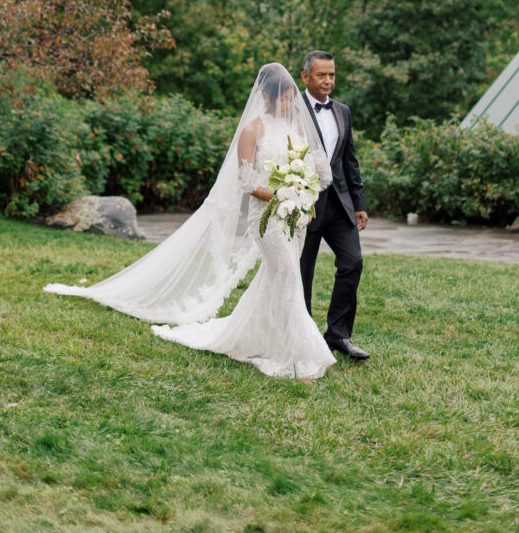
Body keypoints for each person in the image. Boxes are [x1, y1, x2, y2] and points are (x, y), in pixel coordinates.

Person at [45, 63, 336, 380]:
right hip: (265, 218)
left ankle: (259, 339)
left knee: (278, 279)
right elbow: (246, 181)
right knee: (289, 278)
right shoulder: (254, 129)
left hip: (293, 219)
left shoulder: (297, 127)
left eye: (291, 98)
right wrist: (279, 198)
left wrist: (303, 201)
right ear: (266, 97)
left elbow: (311, 172)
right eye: (282, 98)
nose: (288, 104)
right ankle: (296, 355)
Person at [299, 50, 369, 361]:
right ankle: (300, 336)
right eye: (321, 75)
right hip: (303, 207)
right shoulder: (292, 109)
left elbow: (349, 161)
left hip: (340, 205)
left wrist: (359, 202)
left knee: (352, 262)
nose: (328, 81)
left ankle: (338, 334)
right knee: (302, 272)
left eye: (332, 75)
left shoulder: (343, 111)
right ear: (306, 77)